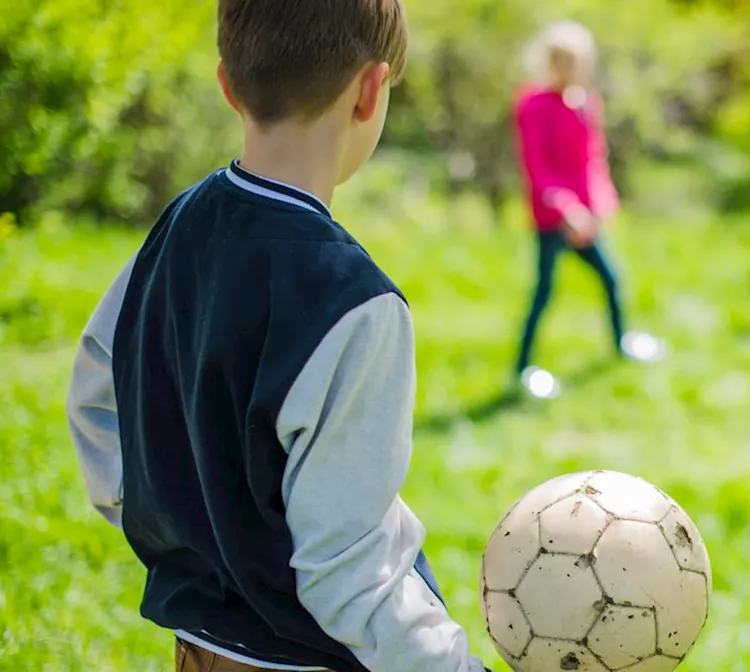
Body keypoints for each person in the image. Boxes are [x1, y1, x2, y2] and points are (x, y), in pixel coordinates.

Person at [64, 1, 491, 671]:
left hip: (196, 653)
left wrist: (191, 531)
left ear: (228, 84)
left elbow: (97, 391)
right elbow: (347, 574)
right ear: (372, 90)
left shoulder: (180, 224)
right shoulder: (355, 302)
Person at [512, 20, 666, 400]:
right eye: (563, 61)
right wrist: (568, 210)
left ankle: (621, 344)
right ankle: (522, 368)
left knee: (612, 279)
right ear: (549, 62)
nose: (571, 69)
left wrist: (599, 205)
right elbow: (538, 168)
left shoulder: (585, 103)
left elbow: (593, 160)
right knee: (545, 291)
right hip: (553, 220)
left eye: (577, 61)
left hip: (587, 219)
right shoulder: (533, 105)